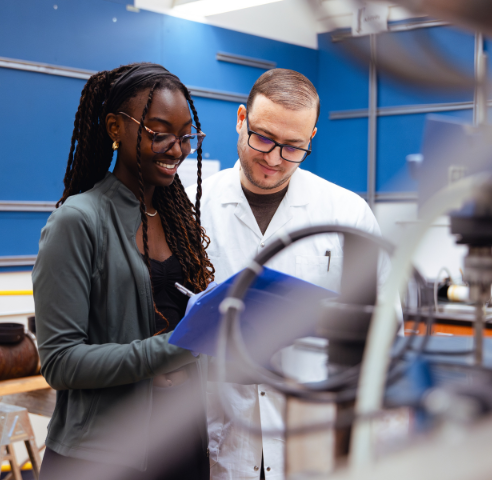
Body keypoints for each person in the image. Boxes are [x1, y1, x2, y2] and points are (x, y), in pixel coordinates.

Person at [185, 68, 390, 479]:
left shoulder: (346, 213)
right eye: (262, 137)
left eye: (293, 147)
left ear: (311, 137)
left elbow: (387, 320)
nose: (274, 158)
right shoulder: (190, 207)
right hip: (219, 430)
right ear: (241, 119)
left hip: (312, 432)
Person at [33, 63, 215, 480]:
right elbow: (60, 362)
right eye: (159, 132)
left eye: (187, 135)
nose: (178, 149)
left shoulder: (177, 221)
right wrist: (179, 346)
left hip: (182, 445)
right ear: (115, 127)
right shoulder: (77, 221)